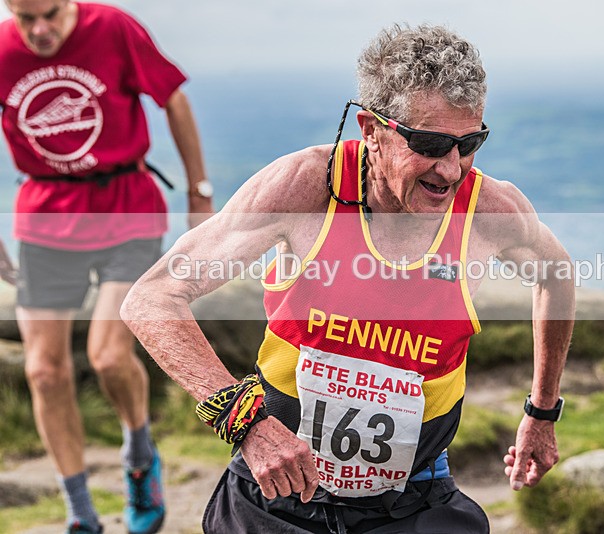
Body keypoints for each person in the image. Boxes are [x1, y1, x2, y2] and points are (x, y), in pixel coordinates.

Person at [123, 24, 574, 533]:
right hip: (274, 495)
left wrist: (542, 411)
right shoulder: (304, 188)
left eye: (469, 143)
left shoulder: (492, 212)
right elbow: (153, 296)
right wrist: (244, 424)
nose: (451, 170)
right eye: (428, 143)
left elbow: (556, 277)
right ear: (371, 130)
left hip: (412, 503)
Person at [0, 1, 214, 532]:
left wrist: (198, 191)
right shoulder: (3, 51)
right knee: (43, 371)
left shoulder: (112, 28)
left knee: (108, 356)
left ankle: (140, 457)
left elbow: (173, 99)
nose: (39, 30)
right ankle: (80, 513)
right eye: (25, 18)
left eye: (49, 14)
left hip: (127, 208)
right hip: (46, 217)